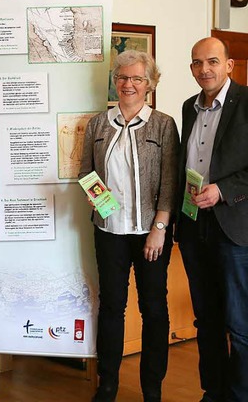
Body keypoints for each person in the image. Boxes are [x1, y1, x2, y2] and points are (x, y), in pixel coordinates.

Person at [79, 50, 179, 402]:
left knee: (153, 309)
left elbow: (170, 182)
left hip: (151, 233)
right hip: (109, 232)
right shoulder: (97, 124)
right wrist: (95, 194)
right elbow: (85, 172)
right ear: (115, 80)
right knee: (111, 308)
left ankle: (152, 388)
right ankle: (107, 386)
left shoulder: (163, 124)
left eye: (137, 78)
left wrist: (160, 227)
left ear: (149, 84)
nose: (129, 84)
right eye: (123, 77)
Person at [175, 37, 248, 402]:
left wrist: (223, 190)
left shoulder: (247, 103)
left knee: (240, 325)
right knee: (207, 322)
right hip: (193, 229)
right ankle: (214, 392)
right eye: (198, 63)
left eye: (213, 62)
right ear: (191, 69)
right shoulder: (189, 107)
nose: (205, 69)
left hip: (234, 230)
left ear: (229, 65)